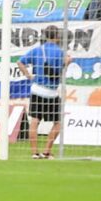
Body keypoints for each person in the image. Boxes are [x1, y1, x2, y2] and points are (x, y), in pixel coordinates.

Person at [19, 26, 65, 159]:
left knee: (34, 120)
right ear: (57, 36)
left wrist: (28, 75)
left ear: (45, 36)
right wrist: (66, 63)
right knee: (58, 122)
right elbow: (60, 70)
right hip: (51, 91)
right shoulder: (60, 52)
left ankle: (34, 152)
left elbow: (20, 62)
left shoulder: (37, 50)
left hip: (37, 89)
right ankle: (47, 151)